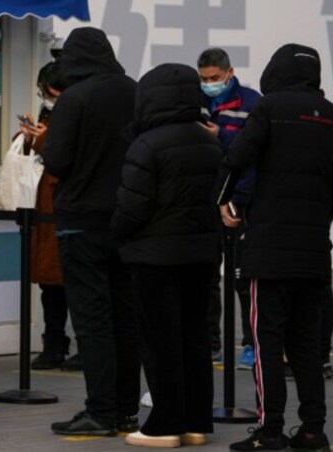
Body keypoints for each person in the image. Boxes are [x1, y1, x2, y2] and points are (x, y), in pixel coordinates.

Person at [217, 44, 333, 452]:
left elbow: (238, 157)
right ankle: (313, 430)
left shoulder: (269, 109)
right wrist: (319, 220)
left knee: (266, 342)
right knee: (306, 345)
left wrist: (228, 203)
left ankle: (269, 430)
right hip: (313, 252)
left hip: (268, 250)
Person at [111, 63, 221, 448]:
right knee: (194, 338)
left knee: (160, 342)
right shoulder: (208, 140)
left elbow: (132, 207)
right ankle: (195, 422)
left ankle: (164, 425)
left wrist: (117, 234)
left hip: (154, 255)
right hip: (202, 254)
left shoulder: (147, 143)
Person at [42, 27, 141, 436]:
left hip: (81, 223)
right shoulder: (134, 91)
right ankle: (127, 409)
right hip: (127, 221)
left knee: (93, 320)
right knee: (125, 317)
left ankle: (100, 410)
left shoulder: (75, 99)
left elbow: (58, 161)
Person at [197, 48, 262, 369]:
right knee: (206, 275)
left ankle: (251, 344)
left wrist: (219, 136)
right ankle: (211, 343)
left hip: (239, 202)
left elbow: (253, 154)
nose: (209, 84)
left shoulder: (251, 103)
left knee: (243, 278)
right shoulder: (194, 101)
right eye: (204, 78)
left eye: (215, 78)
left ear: (229, 72)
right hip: (204, 201)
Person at [15, 61, 75, 371]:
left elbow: (63, 154)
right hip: (45, 209)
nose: (45, 97)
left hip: (65, 209)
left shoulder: (78, 112)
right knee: (51, 286)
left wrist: (39, 139)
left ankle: (69, 345)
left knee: (69, 282)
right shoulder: (49, 115)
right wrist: (27, 136)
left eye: (49, 92)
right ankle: (53, 343)